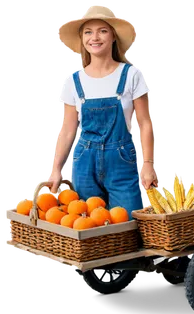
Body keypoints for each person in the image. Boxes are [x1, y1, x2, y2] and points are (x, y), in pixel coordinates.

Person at [49, 3, 158, 216]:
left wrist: (148, 164)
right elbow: (68, 129)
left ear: (113, 36)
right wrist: (55, 168)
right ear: (82, 39)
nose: (95, 37)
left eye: (102, 31)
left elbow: (145, 123)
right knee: (87, 222)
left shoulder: (131, 75)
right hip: (84, 162)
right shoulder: (74, 81)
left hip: (122, 160)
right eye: (88, 32)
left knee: (128, 222)